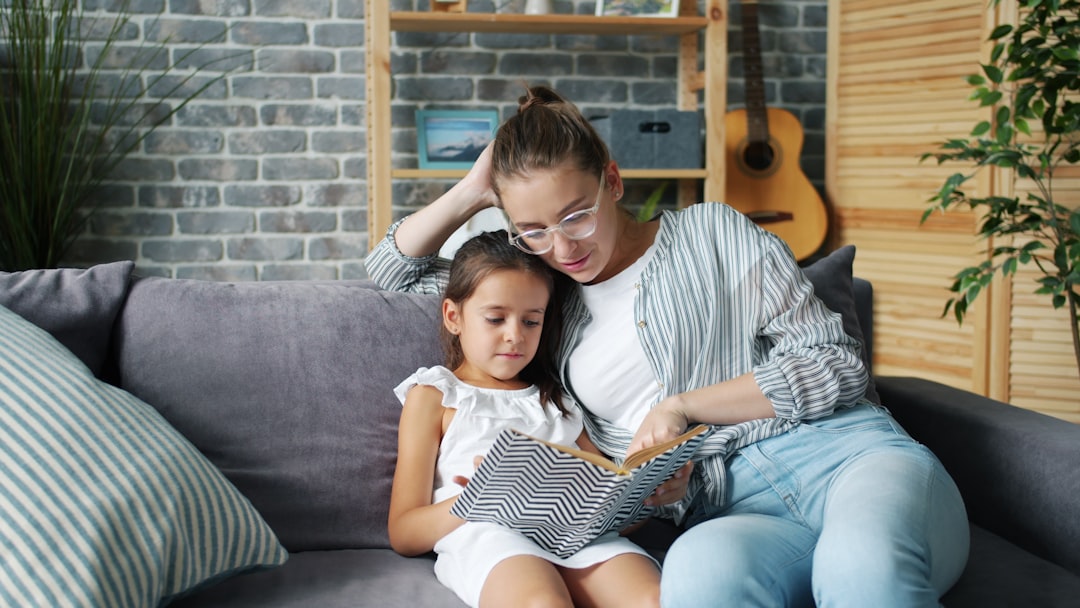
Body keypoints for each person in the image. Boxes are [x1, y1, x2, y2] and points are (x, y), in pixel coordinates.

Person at [369, 86, 970, 607]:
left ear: (612, 178)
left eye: (576, 216)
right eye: (535, 229)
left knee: (861, 574)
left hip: (843, 457)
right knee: (700, 586)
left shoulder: (713, 231)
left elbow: (834, 365)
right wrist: (478, 187)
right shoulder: (543, 300)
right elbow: (390, 272)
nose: (562, 247)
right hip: (731, 510)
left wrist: (686, 406)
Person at [387, 230, 661, 608]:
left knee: (655, 598)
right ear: (454, 316)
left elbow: (608, 505)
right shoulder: (435, 396)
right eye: (496, 319)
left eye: (531, 322)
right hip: (487, 536)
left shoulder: (557, 402)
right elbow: (403, 532)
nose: (515, 336)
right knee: (542, 603)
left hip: (572, 536)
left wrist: (643, 495)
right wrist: (481, 497)